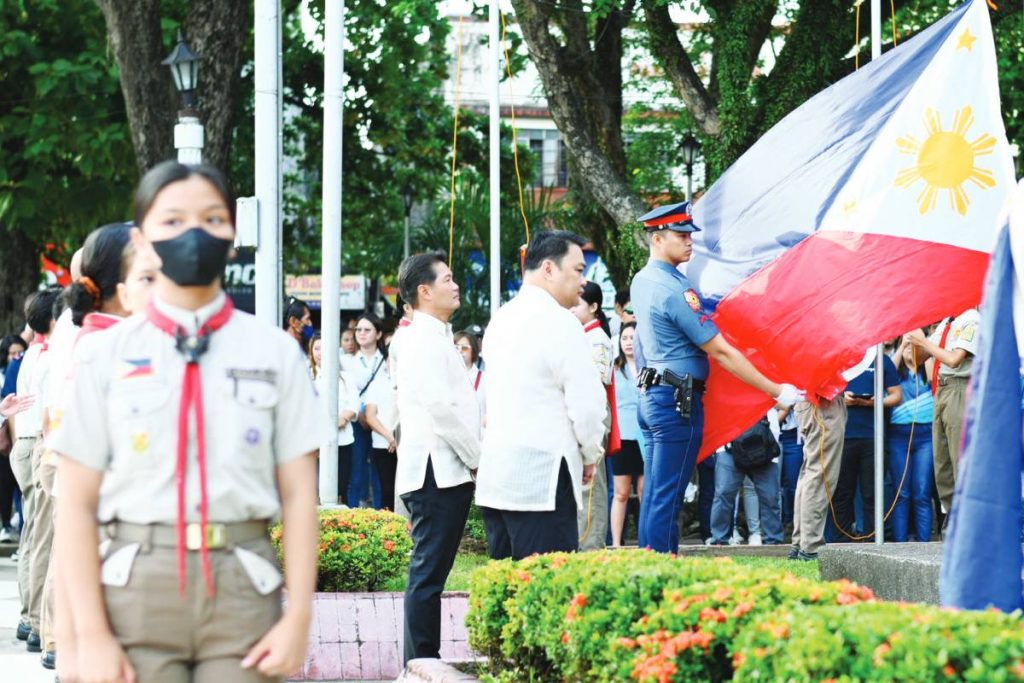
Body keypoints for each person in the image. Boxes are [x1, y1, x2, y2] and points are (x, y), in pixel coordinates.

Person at [51, 161, 322, 683]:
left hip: (243, 584)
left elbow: (298, 495)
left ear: (233, 232)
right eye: (172, 220)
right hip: (136, 587)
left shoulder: (273, 352)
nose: (193, 232)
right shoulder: (104, 355)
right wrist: (90, 636)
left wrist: (299, 617)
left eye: (212, 218)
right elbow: (76, 505)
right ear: (143, 237)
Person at [630, 201, 805, 553]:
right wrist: (776, 391)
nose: (690, 242)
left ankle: (646, 568)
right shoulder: (674, 289)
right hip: (675, 401)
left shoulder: (643, 280)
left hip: (654, 395)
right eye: (681, 236)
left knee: (655, 493)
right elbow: (721, 351)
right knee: (668, 495)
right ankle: (659, 572)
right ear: (657, 239)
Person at [476, 231, 606, 560]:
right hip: (543, 478)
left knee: (505, 594)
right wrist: (591, 454)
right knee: (548, 593)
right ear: (549, 269)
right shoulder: (561, 323)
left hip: (497, 475)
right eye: (578, 270)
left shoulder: (499, 320)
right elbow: (587, 405)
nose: (583, 280)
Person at [394, 252, 481, 664]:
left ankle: (423, 659)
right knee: (427, 575)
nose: (455, 284)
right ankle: (420, 662)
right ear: (424, 291)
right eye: (447, 278)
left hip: (444, 470)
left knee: (431, 574)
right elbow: (440, 409)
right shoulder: (420, 338)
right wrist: (477, 458)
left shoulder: (436, 334)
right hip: (436, 472)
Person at [10, 286, 61, 654]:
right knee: (41, 535)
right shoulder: (48, 355)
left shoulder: (34, 353)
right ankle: (36, 620)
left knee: (33, 533)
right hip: (37, 444)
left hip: (25, 444)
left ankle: (30, 615)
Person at [906, 308, 979, 522]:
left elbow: (955, 359)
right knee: (942, 463)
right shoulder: (948, 322)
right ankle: (952, 520)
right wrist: (914, 335)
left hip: (960, 388)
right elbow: (918, 359)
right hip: (941, 390)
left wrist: (925, 342)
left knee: (959, 459)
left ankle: (967, 524)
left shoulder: (971, 320)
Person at [834, 353, 901, 539]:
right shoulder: (839, 357)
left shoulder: (880, 358)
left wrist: (871, 402)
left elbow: (896, 395)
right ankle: (841, 543)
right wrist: (840, 397)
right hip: (843, 435)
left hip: (874, 436)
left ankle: (873, 540)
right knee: (841, 493)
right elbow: (823, 390)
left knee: (872, 493)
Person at [570, 280, 615, 551]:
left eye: (578, 304)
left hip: (594, 414)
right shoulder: (581, 335)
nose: (572, 309)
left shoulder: (597, 338)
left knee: (592, 486)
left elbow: (596, 382)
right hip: (584, 411)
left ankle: (591, 546)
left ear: (594, 307)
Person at [708, 414, 784, 546]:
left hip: (763, 440)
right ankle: (719, 540)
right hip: (728, 441)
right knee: (723, 494)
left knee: (770, 497)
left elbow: (784, 399)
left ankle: (773, 542)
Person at [888, 334, 935, 542]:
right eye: (905, 345)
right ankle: (899, 545)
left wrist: (919, 340)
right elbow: (886, 369)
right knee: (901, 494)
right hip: (898, 437)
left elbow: (931, 353)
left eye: (913, 345)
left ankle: (923, 545)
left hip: (925, 437)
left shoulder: (929, 370)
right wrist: (904, 343)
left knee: (922, 494)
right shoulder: (895, 373)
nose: (909, 348)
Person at [310, 333, 359, 504]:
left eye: (324, 348)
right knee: (313, 488)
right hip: (313, 442)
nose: (320, 353)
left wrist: (342, 419)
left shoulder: (346, 377)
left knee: (340, 488)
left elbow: (354, 404)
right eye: (316, 348)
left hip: (342, 439)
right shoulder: (306, 375)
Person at [348, 314, 387, 508]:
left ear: (378, 333)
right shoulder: (347, 361)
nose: (361, 333)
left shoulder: (387, 362)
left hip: (380, 422)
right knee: (356, 472)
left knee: (379, 473)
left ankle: (381, 515)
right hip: (355, 422)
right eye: (358, 330)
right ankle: (354, 516)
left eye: (367, 329)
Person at [610, 322, 642, 547]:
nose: (628, 342)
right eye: (624, 338)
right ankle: (616, 544)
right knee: (621, 493)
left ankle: (647, 541)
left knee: (644, 492)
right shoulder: (613, 368)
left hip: (645, 436)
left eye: (632, 337)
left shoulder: (648, 365)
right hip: (622, 437)